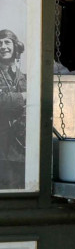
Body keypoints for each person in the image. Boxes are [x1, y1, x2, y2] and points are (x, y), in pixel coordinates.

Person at [0, 29, 27, 189]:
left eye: (7, 42)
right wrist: (24, 96)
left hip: (20, 147)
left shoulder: (23, 76)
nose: (3, 47)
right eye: (0, 43)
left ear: (15, 46)